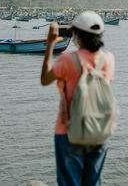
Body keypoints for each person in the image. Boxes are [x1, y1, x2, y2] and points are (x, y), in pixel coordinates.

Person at [41, 11, 115, 186]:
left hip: (68, 132)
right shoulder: (108, 59)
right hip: (99, 131)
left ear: (78, 36)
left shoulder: (68, 60)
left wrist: (50, 45)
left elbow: (45, 79)